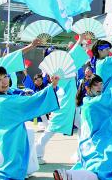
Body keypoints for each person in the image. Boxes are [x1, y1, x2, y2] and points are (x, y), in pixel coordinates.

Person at [0, 66, 60, 179]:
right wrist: (52, 87)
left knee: (3, 167)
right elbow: (29, 102)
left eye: (5, 76)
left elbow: (20, 93)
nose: (5, 81)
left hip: (6, 139)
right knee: (6, 171)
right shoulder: (4, 101)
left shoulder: (0, 96)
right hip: (9, 142)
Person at [54, 68, 112, 180]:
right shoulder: (95, 102)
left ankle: (71, 175)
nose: (100, 87)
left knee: (93, 169)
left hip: (90, 144)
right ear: (87, 88)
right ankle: (69, 176)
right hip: (100, 144)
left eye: (101, 84)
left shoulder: (87, 101)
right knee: (100, 172)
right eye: (96, 85)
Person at [36, 34, 90, 164]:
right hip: (63, 104)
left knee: (83, 128)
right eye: (53, 53)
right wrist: (80, 42)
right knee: (50, 130)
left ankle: (80, 154)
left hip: (74, 103)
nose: (57, 55)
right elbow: (72, 58)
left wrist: (81, 41)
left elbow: (71, 57)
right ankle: (36, 154)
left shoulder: (65, 65)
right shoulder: (53, 72)